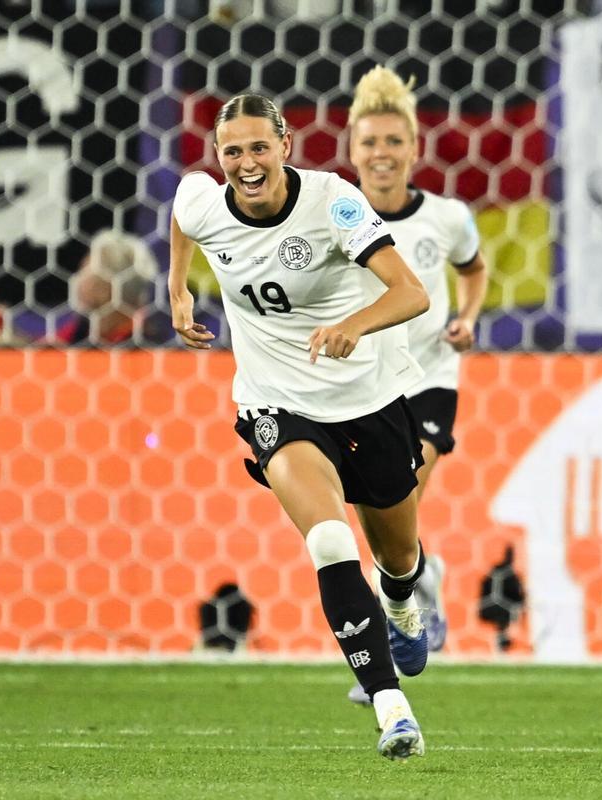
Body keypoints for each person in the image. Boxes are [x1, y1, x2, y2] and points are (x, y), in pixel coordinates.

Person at [169, 93, 434, 761]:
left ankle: (402, 601)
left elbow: (410, 291)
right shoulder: (206, 202)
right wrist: (177, 290)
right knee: (326, 541)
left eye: (260, 147)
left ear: (285, 145)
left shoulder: (334, 203)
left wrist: (352, 325)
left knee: (397, 558)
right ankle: (389, 704)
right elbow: (183, 212)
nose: (247, 164)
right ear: (219, 156)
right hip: (275, 407)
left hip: (367, 403)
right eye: (233, 151)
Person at [341, 65, 489, 705]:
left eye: (393, 142)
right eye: (369, 143)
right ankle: (420, 581)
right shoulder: (332, 217)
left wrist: (467, 317)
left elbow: (475, 268)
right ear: (352, 150)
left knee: (405, 489)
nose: (381, 154)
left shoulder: (448, 218)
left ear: (414, 149)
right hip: (365, 386)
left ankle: (388, 653)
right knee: (382, 518)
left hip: (429, 377)